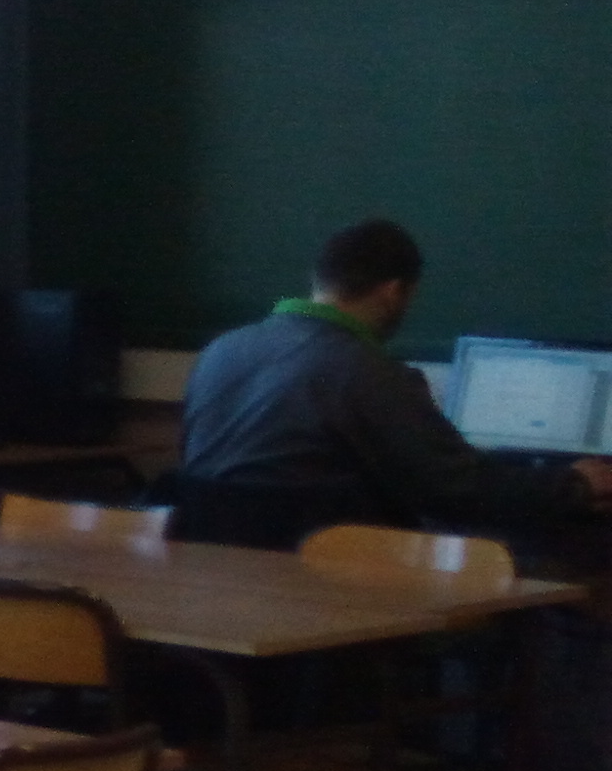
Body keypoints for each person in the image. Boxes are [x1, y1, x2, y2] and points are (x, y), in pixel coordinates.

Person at [177, 217, 612, 536]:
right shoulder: (366, 371)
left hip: (212, 577)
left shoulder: (221, 350)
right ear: (393, 291)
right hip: (330, 583)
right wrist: (573, 485)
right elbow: (457, 490)